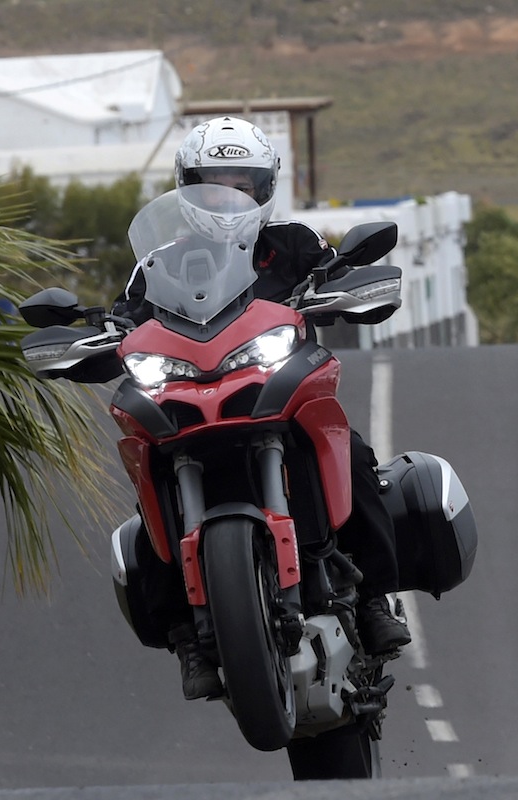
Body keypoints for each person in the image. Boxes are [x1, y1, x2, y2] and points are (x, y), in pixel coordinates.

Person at [113, 116, 411, 701]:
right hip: (190, 391)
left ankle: (372, 594)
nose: (229, 193)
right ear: (187, 185)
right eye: (213, 180)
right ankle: (187, 634)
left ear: (265, 186)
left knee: (352, 454)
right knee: (149, 494)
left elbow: (335, 272)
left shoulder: (293, 244)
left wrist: (344, 282)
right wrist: (99, 333)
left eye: (242, 181)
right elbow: (126, 317)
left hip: (276, 382)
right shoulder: (159, 262)